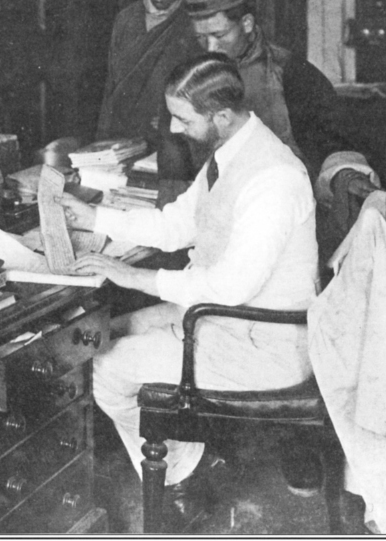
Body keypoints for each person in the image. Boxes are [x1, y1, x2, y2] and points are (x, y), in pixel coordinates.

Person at [60, 54, 320, 529]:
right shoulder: (229, 156)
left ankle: (182, 480)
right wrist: (93, 218)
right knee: (103, 334)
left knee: (103, 365)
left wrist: (133, 276)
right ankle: (192, 462)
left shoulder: (275, 177)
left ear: (221, 116)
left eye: (183, 118)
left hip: (266, 345)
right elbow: (176, 223)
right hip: (224, 320)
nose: (175, 130)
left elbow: (230, 285)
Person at [157, 0, 380, 259]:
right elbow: (173, 150)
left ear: (247, 23)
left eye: (219, 34)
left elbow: (332, 143)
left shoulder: (290, 73)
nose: (211, 48)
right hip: (208, 218)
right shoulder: (190, 77)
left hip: (278, 221)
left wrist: (344, 176)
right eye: (201, 38)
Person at [95, 0, 202, 203]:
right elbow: (111, 87)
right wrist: (100, 151)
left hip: (172, 148)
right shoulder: (126, 20)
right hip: (123, 144)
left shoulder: (193, 23)